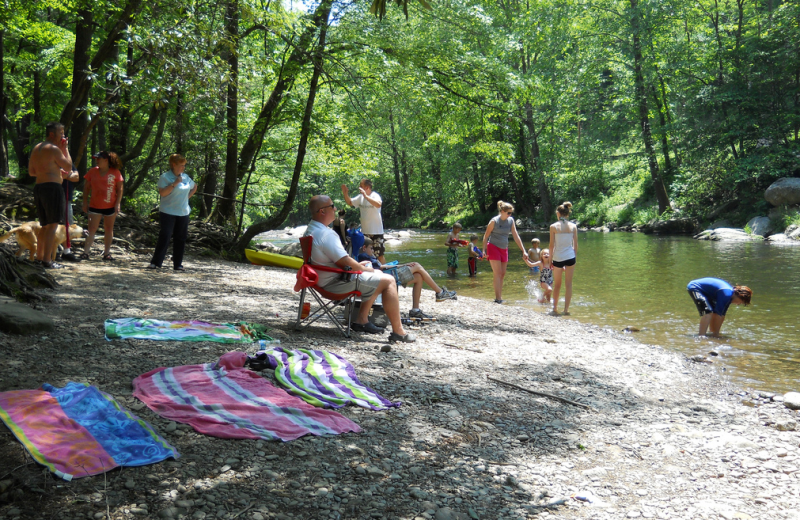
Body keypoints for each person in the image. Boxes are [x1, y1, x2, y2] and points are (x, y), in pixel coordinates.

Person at [304, 195, 415, 343]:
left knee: (376, 274)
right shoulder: (325, 234)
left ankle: (361, 320)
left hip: (321, 279)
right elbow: (345, 262)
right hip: (334, 283)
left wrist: (361, 266)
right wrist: (365, 269)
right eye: (332, 206)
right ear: (322, 211)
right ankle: (399, 332)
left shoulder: (311, 229)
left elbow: (338, 260)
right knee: (388, 280)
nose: (335, 209)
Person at [357, 237, 456, 318]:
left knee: (418, 277)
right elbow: (382, 267)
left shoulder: (366, 256)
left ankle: (415, 310)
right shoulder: (364, 256)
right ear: (364, 248)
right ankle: (440, 292)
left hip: (388, 275)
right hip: (389, 277)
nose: (373, 250)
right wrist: (403, 265)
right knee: (416, 265)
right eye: (371, 248)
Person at [28, 121, 77, 269]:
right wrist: (65, 148)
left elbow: (31, 172)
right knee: (52, 226)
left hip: (39, 187)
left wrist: (48, 171)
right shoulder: (55, 149)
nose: (63, 136)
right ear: (52, 134)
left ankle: (40, 258)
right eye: (61, 133)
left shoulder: (37, 148)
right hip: (52, 189)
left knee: (44, 225)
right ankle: (47, 261)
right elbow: (68, 167)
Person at [148, 154, 197, 271]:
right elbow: (163, 193)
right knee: (165, 236)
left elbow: (194, 186)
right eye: (181, 165)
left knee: (181, 238)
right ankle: (156, 262)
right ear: (174, 165)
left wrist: (187, 198)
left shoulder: (186, 177)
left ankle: (178, 264)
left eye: (184, 165)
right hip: (168, 212)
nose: (183, 168)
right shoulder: (165, 177)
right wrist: (175, 183)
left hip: (183, 212)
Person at [482, 201, 528, 303]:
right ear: (502, 211)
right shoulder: (494, 221)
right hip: (493, 247)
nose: (510, 215)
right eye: (508, 213)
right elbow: (486, 236)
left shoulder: (511, 221)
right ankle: (498, 298)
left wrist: (523, 250)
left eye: (511, 213)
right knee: (497, 273)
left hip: (504, 248)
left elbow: (516, 236)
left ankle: (499, 296)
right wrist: (484, 250)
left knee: (502, 274)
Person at [82, 151, 124, 261]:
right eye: (96, 159)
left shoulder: (115, 172)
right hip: (95, 206)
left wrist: (117, 204)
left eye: (99, 159)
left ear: (106, 161)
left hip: (110, 207)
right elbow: (86, 188)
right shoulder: (92, 172)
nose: (97, 161)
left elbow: (120, 189)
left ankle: (107, 254)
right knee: (92, 229)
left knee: (109, 229)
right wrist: (85, 202)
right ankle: (85, 253)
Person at [687, 278, 752, 336]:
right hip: (695, 287)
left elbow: (721, 316)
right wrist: (716, 335)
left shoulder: (729, 296)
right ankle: (701, 336)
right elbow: (717, 315)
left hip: (705, 292)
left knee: (713, 312)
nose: (738, 304)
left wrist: (715, 333)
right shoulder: (727, 295)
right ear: (740, 296)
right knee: (708, 312)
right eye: (740, 302)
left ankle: (712, 333)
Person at [342, 179, 386, 263]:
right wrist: (345, 193)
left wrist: (366, 196)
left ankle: (384, 271)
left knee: (379, 254)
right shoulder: (360, 197)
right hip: (365, 232)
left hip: (376, 232)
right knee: (365, 254)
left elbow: (378, 204)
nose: (359, 188)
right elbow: (350, 202)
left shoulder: (375, 195)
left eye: (361, 186)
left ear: (367, 187)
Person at [550, 201, 578, 316]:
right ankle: (566, 310)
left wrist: (550, 259)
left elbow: (551, 245)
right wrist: (574, 257)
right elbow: (575, 244)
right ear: (567, 213)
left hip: (558, 257)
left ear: (558, 213)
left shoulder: (553, 227)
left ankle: (555, 308)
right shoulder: (573, 226)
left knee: (557, 285)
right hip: (570, 257)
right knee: (569, 284)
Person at [60, 166, 82, 262]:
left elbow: (76, 177)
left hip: (67, 198)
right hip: (53, 197)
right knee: (53, 224)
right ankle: (53, 251)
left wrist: (67, 175)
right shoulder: (52, 159)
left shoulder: (68, 163)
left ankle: (66, 252)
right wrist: (69, 175)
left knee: (67, 225)